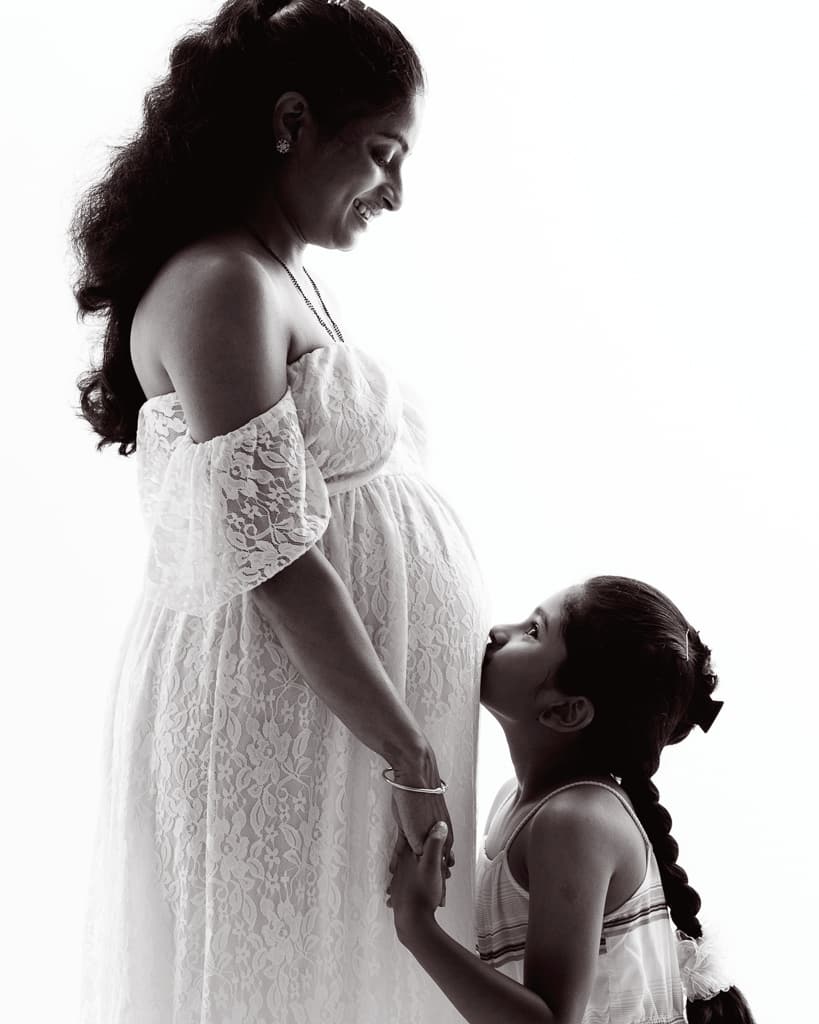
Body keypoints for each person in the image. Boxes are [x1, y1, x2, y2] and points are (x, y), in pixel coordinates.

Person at [71, 1, 488, 1021]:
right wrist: (411, 756)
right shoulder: (221, 284)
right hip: (279, 717)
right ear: (291, 120)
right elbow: (277, 559)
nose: (396, 191)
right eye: (383, 152)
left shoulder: (272, 270)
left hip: (332, 718)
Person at [388, 576, 757, 1024]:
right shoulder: (518, 800)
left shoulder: (575, 821)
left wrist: (417, 925)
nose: (498, 632)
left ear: (567, 710)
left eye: (533, 632)